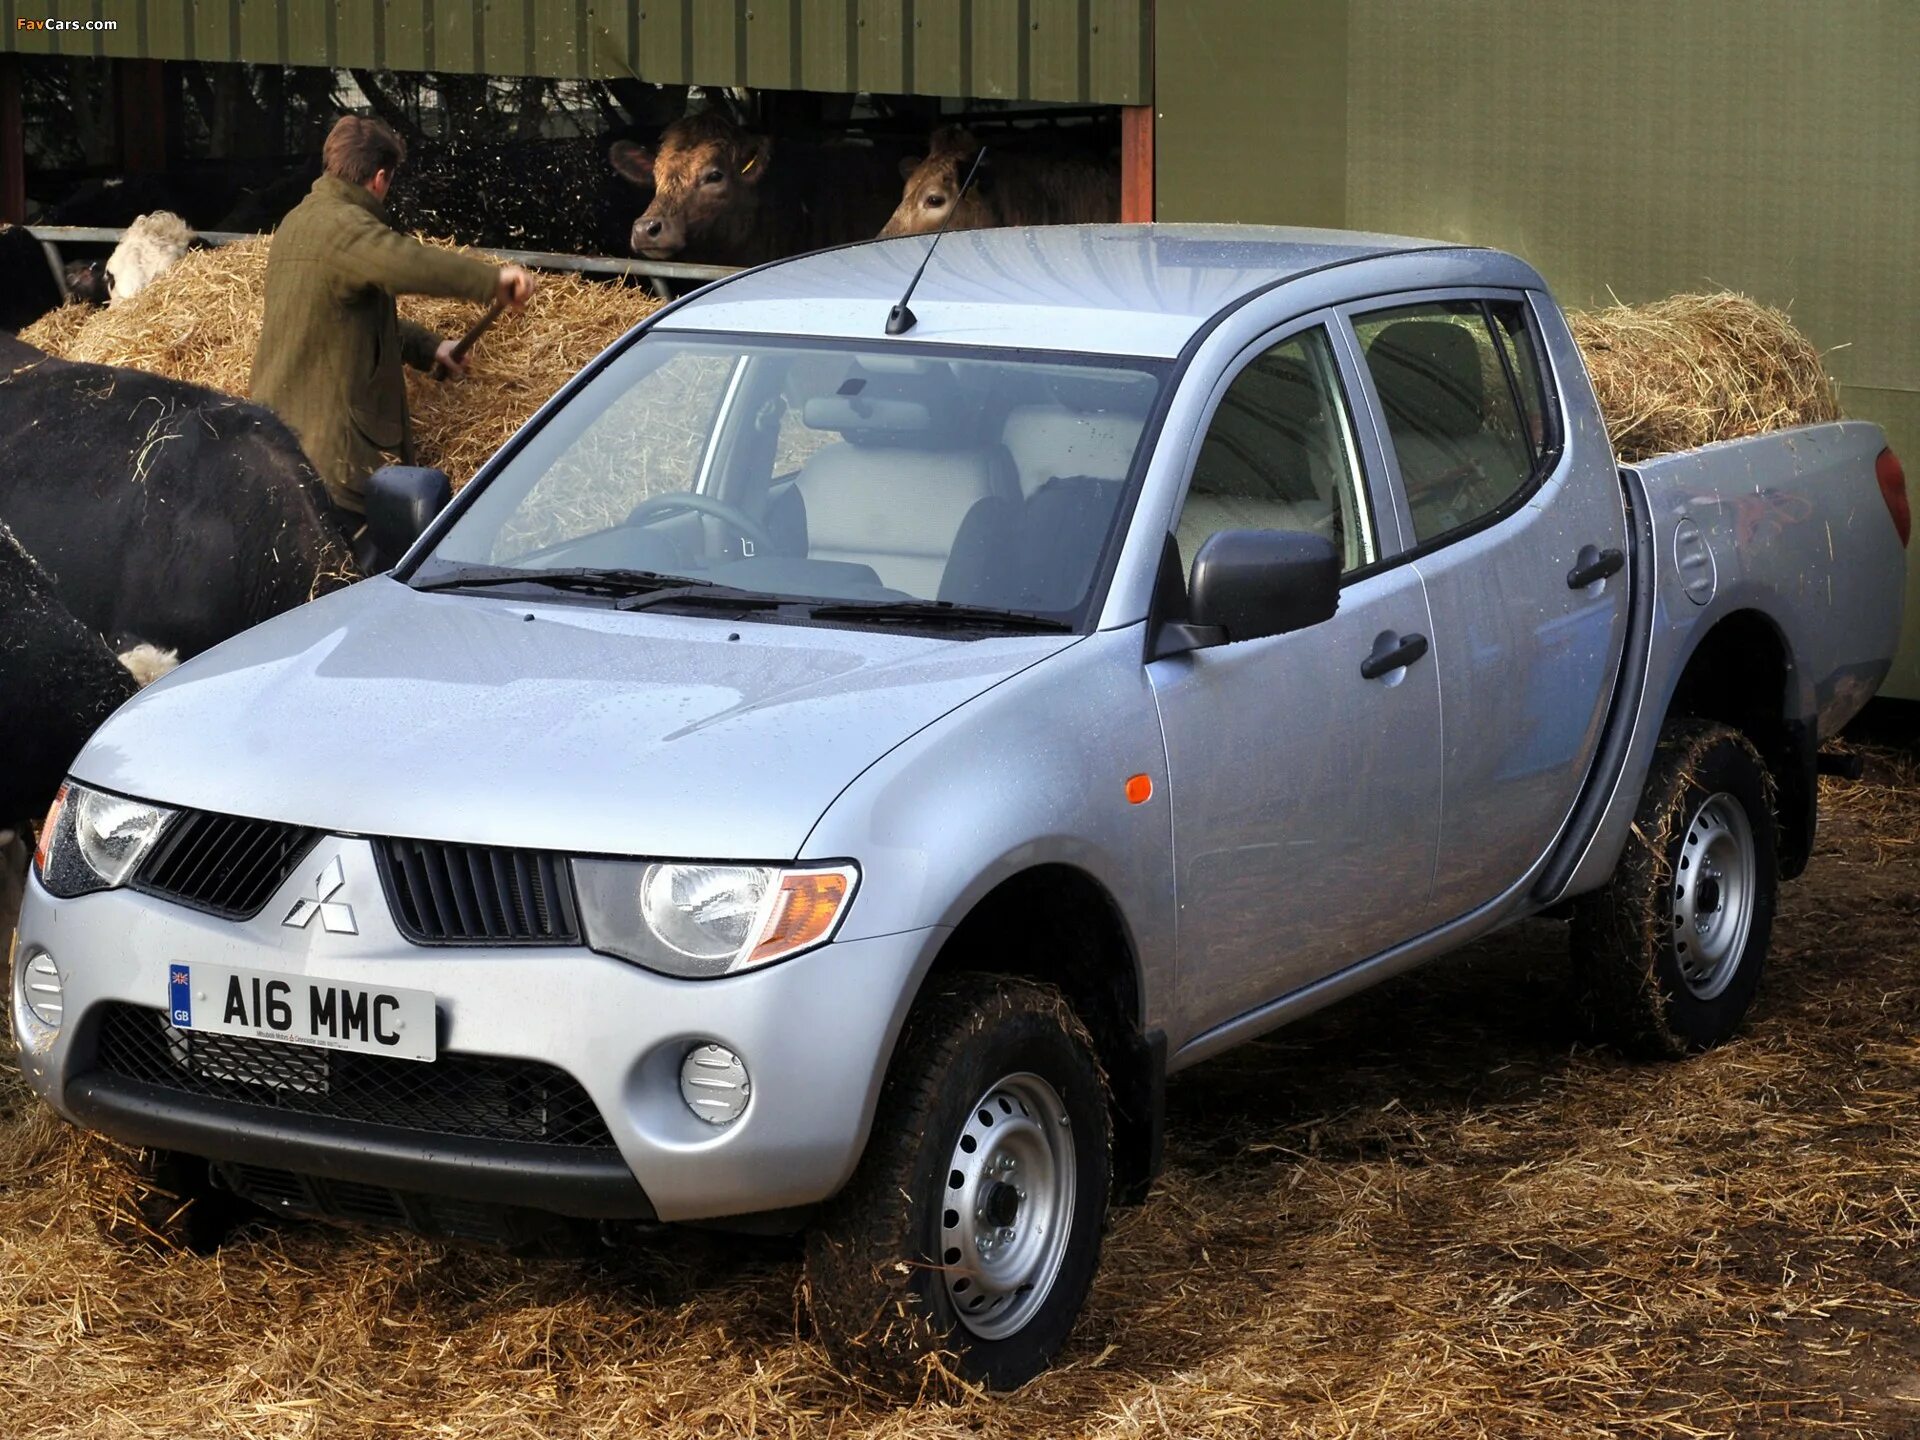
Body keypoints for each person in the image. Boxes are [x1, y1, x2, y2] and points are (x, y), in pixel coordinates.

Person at [250, 115, 535, 551]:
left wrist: (428, 347)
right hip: (332, 463)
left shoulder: (297, 224)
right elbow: (404, 261)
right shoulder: (344, 227)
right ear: (381, 178)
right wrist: (492, 281)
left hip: (280, 449)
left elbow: (351, 316)